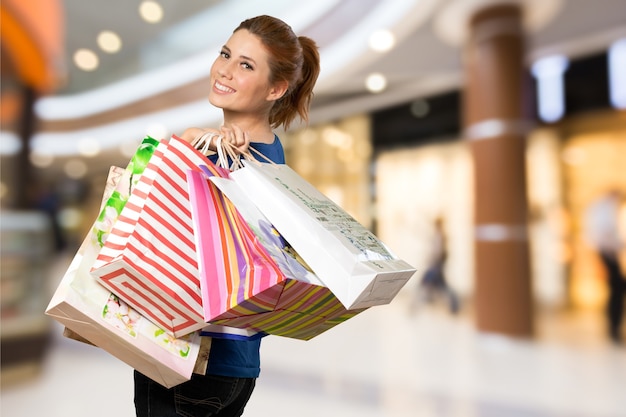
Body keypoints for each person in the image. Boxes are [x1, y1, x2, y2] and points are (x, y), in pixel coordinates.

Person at [133, 15, 320, 416]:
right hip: (236, 363)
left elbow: (146, 207)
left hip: (190, 359)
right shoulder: (271, 151)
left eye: (246, 65)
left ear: (277, 88)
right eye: (226, 54)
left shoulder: (229, 156)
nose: (225, 70)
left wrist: (187, 143)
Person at [584, 189, 626, 344]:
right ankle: (614, 328)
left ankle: (614, 327)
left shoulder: (602, 207)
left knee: (617, 288)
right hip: (607, 252)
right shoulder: (604, 208)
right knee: (617, 289)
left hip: (607, 252)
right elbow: (605, 233)